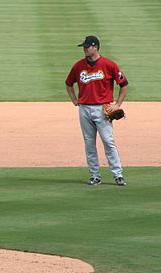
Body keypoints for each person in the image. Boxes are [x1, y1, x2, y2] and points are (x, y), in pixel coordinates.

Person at [65, 36, 128, 186]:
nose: (85, 49)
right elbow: (68, 84)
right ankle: (95, 176)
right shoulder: (78, 66)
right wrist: (74, 100)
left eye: (87, 46)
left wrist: (117, 104)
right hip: (84, 109)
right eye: (84, 47)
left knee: (108, 141)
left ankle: (118, 174)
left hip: (102, 109)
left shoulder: (109, 65)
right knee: (89, 143)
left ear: (96, 47)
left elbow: (124, 84)